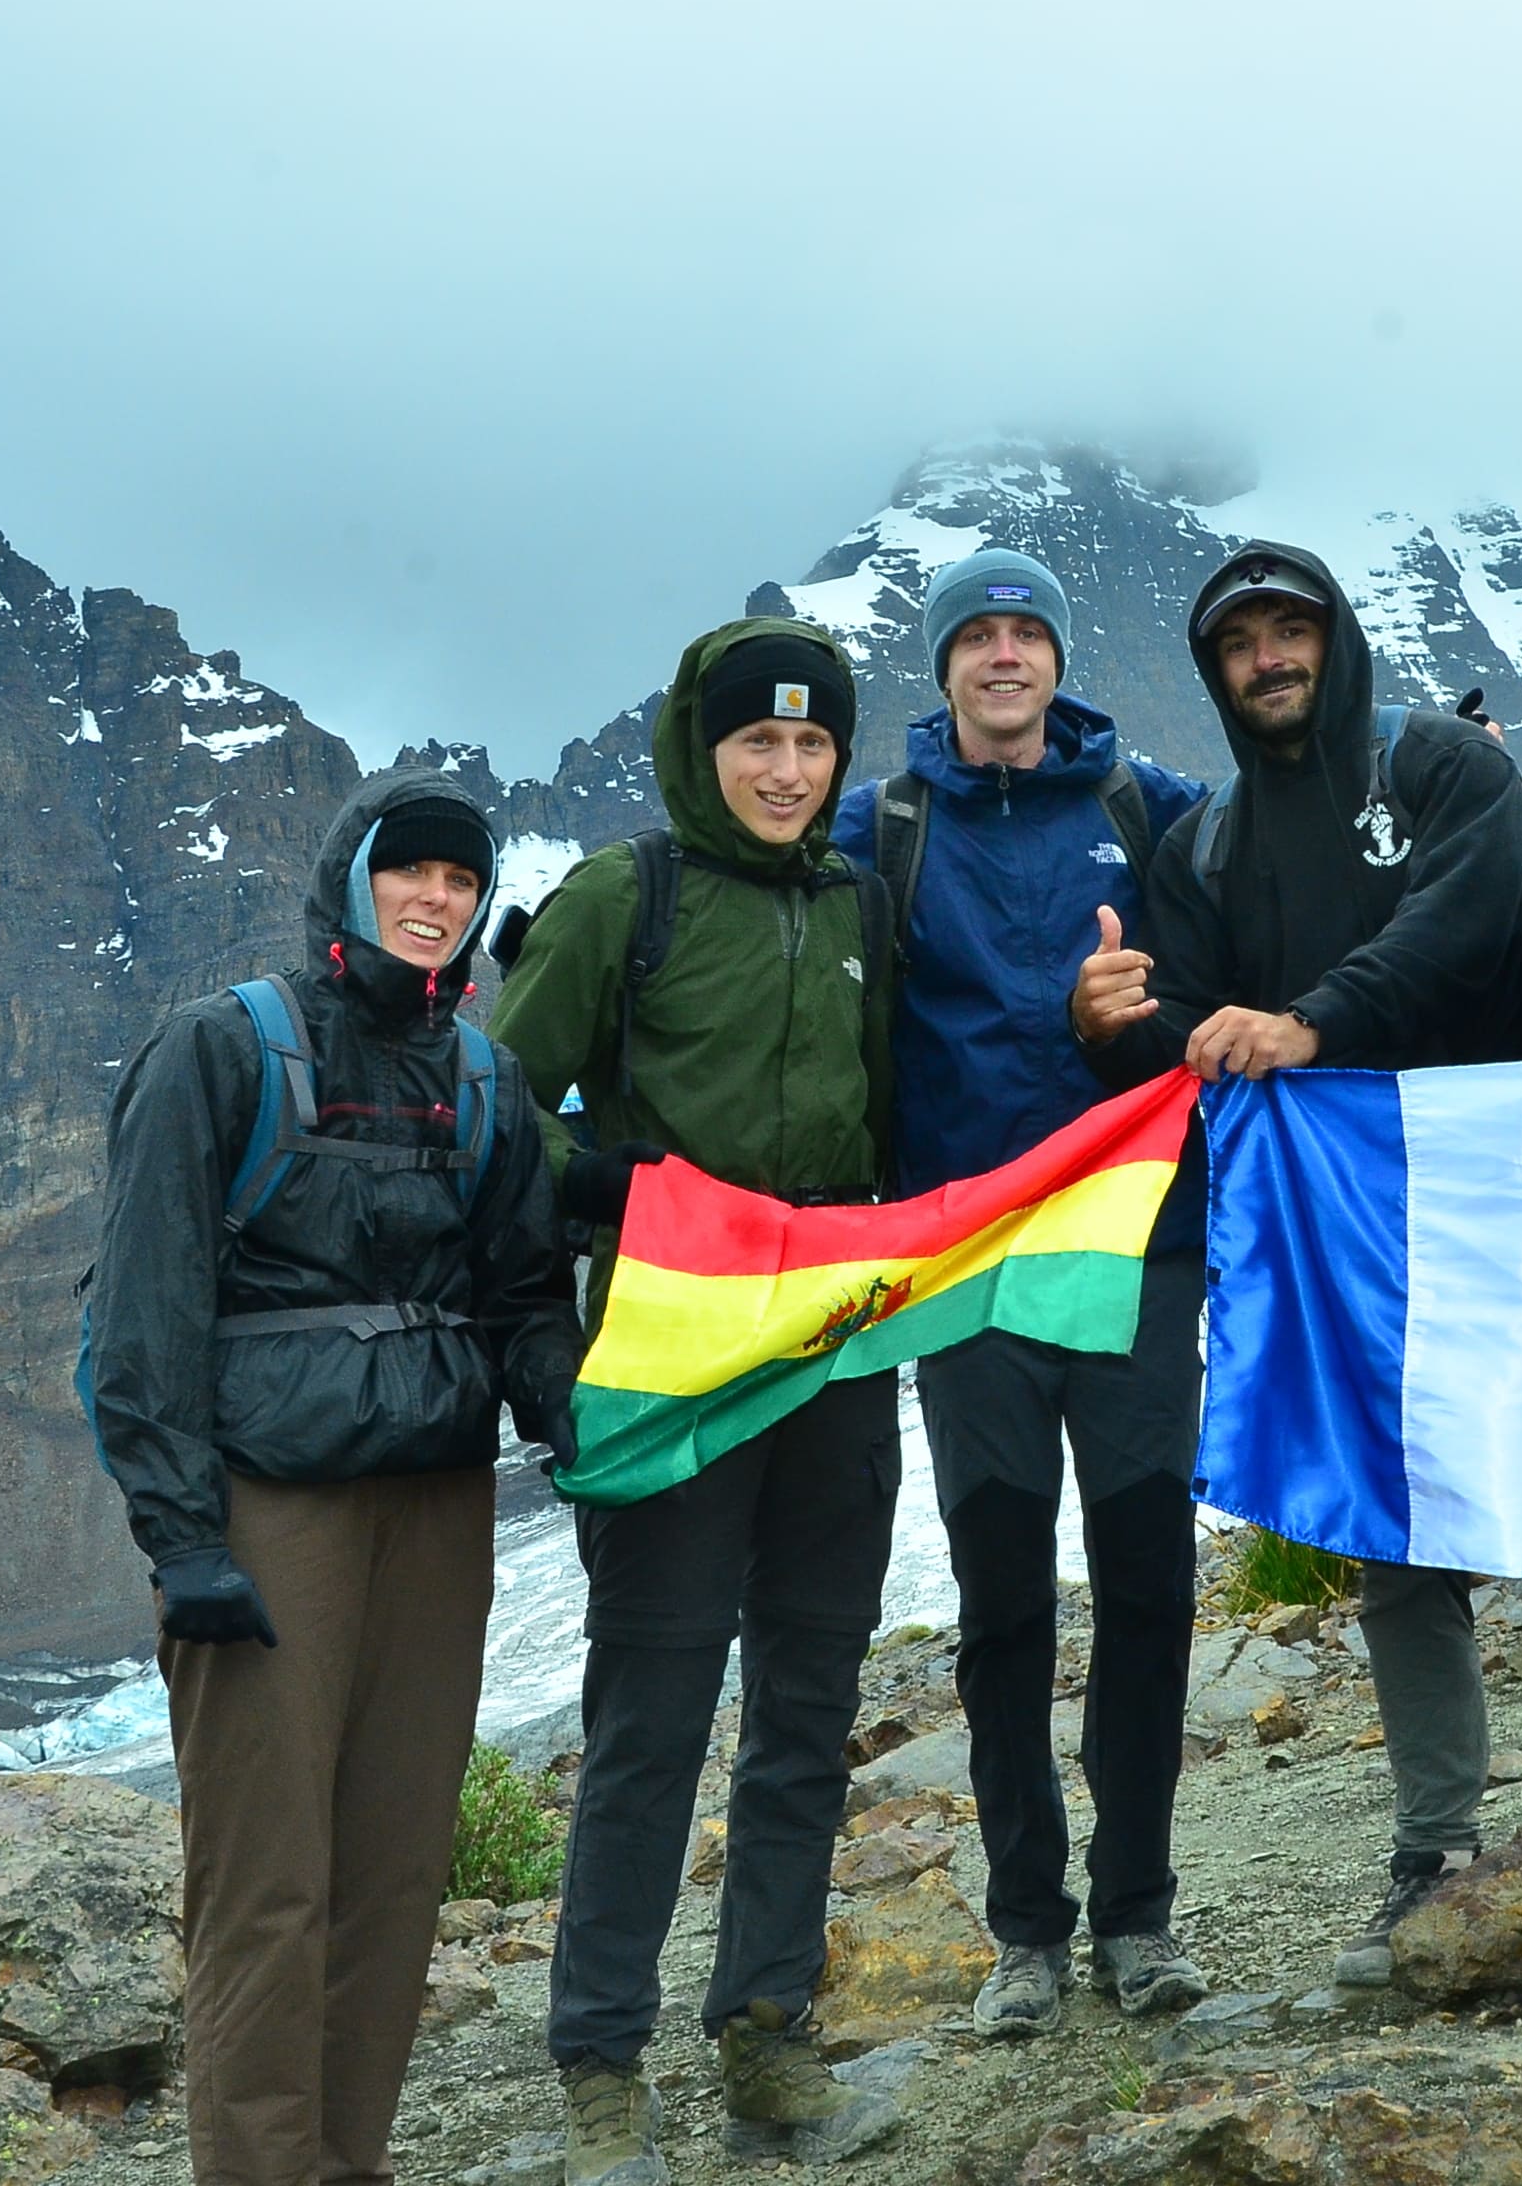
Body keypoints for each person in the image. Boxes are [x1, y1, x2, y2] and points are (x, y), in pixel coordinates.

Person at [1071, 537, 1522, 1990]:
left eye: (1290, 632)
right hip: (1349, 1220)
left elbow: (1470, 913)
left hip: (1511, 1180)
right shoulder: (1207, 846)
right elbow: (1174, 1011)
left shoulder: (1441, 766)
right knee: (1394, 1522)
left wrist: (1313, 1022)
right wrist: (1104, 1012)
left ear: (1335, 639)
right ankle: (1433, 1847)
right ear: (1215, 675)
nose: (1268, 661)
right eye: (1239, 647)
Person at [83, 765, 583, 2186]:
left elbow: (525, 1292)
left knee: (393, 1875)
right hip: (269, 1507)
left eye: (461, 879)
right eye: (409, 871)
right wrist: (184, 1540)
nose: (437, 899)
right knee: (267, 1885)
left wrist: (571, 1425)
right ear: (349, 883)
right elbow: (145, 1309)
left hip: (435, 1503)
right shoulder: (221, 1050)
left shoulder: (485, 1080)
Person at [490, 618, 903, 2182]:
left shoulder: (862, 904)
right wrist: (614, 1187)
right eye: (758, 744)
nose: (788, 772)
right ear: (703, 749)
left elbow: (887, 1122)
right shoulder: (626, 897)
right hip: (668, 1350)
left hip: (833, 1361)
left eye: (814, 747)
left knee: (808, 1703)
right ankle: (601, 2069)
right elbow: (488, 1110)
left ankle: (767, 2039)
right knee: (651, 1717)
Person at [824, 550, 1211, 2037]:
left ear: (1057, 657)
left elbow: (1265, 902)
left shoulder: (1145, 806)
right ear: (943, 668)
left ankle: (1140, 1917)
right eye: (976, 638)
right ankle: (1026, 1931)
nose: (1001, 658)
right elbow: (772, 908)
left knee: (1149, 1585)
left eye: (1023, 634)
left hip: (1133, 1245)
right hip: (969, 1260)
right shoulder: (886, 825)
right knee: (999, 1598)